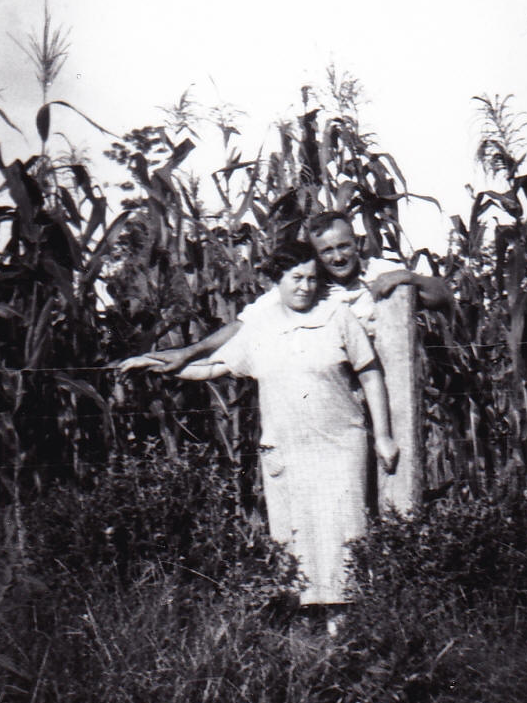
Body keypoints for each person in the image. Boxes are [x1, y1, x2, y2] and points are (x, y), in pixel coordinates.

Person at [121, 241, 398, 618]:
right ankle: (308, 634)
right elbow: (210, 367)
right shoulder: (261, 328)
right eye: (295, 278)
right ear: (277, 282)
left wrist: (382, 435)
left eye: (312, 279)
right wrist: (153, 363)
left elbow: (370, 373)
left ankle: (344, 631)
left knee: (344, 536)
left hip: (340, 446)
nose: (304, 287)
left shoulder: (338, 317)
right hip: (287, 450)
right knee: (296, 540)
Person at [136, 212, 450, 371]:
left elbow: (444, 298)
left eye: (344, 246)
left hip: (388, 385)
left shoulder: (380, 270)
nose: (337, 257)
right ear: (316, 254)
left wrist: (410, 277)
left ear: (357, 244)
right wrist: (188, 353)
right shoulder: (306, 286)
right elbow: (244, 324)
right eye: (327, 251)